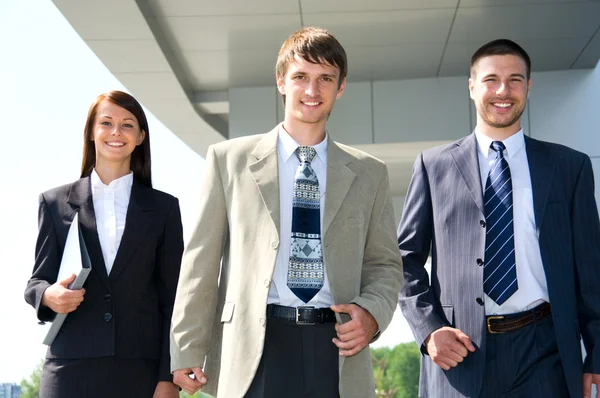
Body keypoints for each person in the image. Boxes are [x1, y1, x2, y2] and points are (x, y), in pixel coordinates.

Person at [170, 26, 403, 398]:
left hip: (337, 346)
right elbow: (201, 260)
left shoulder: (370, 173)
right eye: (300, 77)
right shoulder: (228, 161)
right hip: (255, 344)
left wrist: (373, 313)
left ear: (341, 87)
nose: (312, 91)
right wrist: (187, 346)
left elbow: (385, 265)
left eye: (325, 78)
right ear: (281, 81)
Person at [397, 38, 600, 398]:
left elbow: (591, 274)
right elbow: (403, 261)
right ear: (472, 86)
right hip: (460, 354)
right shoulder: (433, 166)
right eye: (491, 79)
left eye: (515, 80)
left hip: (545, 352)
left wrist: (596, 358)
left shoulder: (570, 167)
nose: (503, 90)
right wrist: (429, 330)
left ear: (529, 86)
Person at [24, 90, 183, 398]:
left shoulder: (164, 209)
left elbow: (173, 299)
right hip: (70, 368)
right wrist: (48, 295)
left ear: (140, 137)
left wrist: (168, 377)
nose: (116, 132)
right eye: (106, 122)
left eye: (127, 125)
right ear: (91, 133)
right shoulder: (55, 203)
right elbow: (36, 282)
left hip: (140, 370)